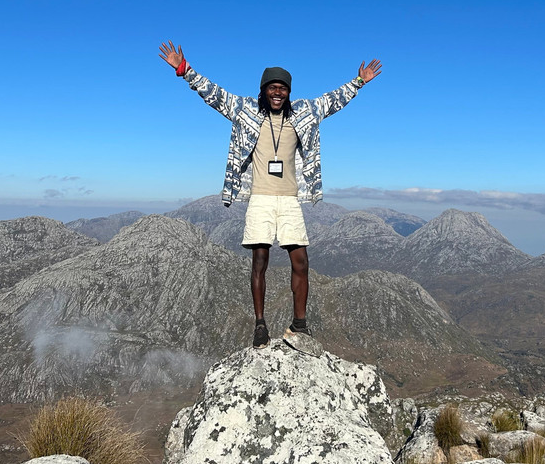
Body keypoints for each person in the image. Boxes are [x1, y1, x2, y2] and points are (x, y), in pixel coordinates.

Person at [158, 40, 382, 349]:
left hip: (289, 198)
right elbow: (214, 94)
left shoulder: (303, 113)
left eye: (283, 88)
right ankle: (260, 324)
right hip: (260, 197)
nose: (278, 92)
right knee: (259, 261)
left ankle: (299, 324)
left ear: (289, 92)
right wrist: (184, 70)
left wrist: (359, 82)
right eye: (272, 88)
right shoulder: (246, 110)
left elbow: (332, 101)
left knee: (301, 262)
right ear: (263, 90)